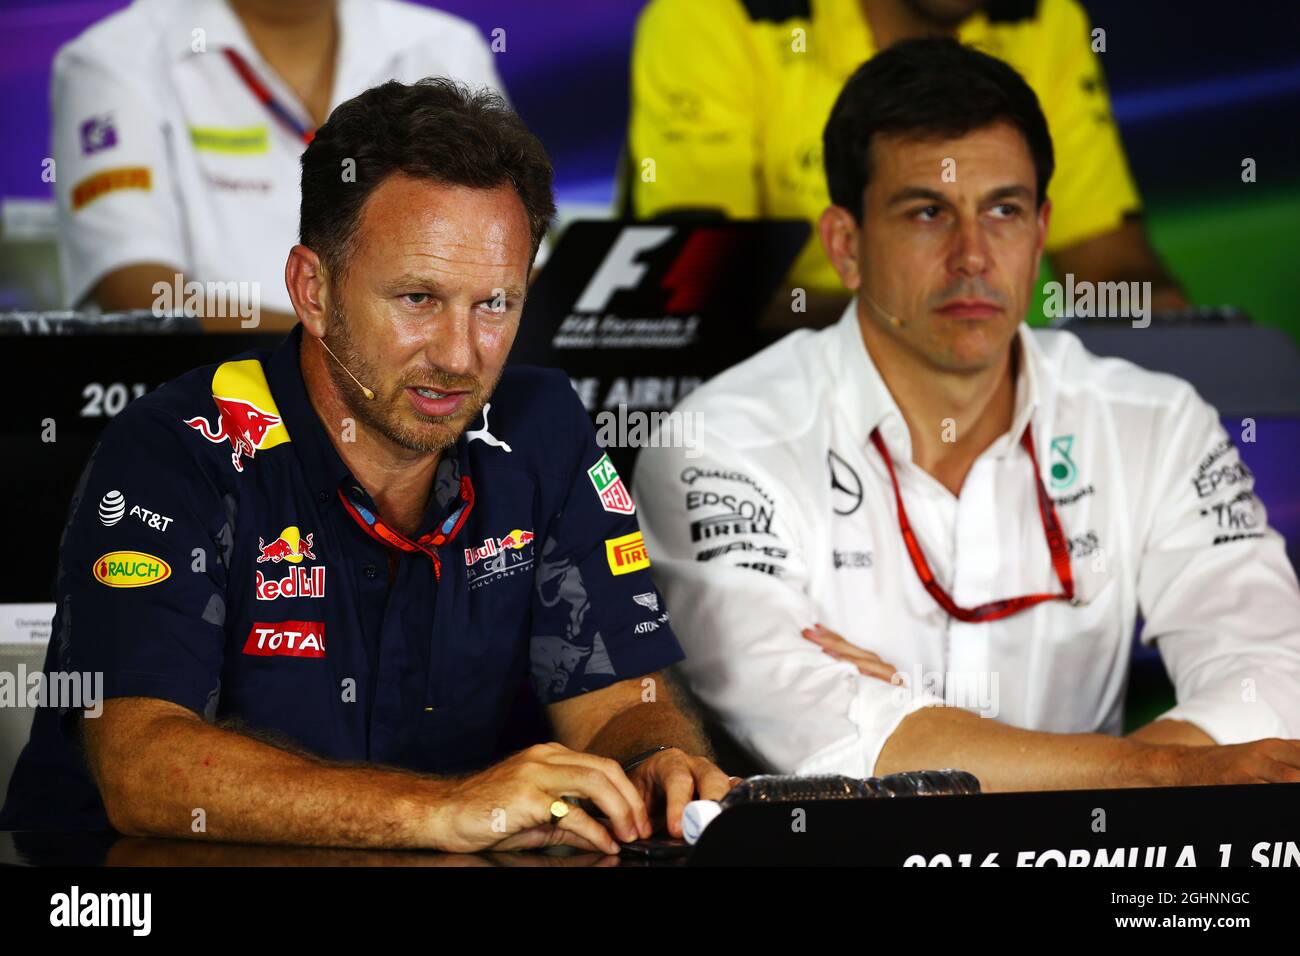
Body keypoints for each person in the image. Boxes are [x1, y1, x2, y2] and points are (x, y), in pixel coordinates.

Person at [1, 78, 730, 852]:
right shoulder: (176, 447)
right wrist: (445, 810)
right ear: (312, 291)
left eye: (495, 304)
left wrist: (656, 761)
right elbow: (144, 764)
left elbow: (617, 699)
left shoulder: (542, 429)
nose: (459, 357)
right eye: (418, 298)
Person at [632, 39, 1300, 792]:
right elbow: (828, 732)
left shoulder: (1158, 421)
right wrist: (1157, 775)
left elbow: (1272, 673)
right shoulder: (719, 442)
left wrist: (908, 716)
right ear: (845, 246)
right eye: (927, 213)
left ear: (1042, 232)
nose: (974, 256)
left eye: (1004, 211)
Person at [625, 0, 1187, 326]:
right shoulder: (709, 15)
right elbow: (695, 301)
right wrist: (922, 326)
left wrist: (1169, 330)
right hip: (761, 407)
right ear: (843, 239)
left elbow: (1109, 266)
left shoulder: (1043, 18)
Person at [52, 0, 504, 330]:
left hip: (432, 400)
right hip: (210, 411)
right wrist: (343, 349)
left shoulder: (442, 48)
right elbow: (141, 294)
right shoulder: (116, 60)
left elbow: (511, 265)